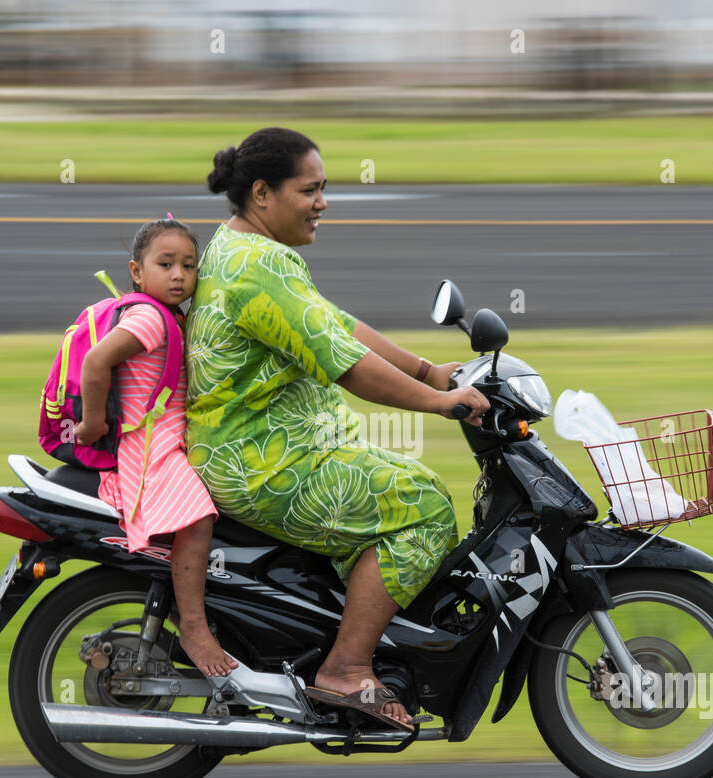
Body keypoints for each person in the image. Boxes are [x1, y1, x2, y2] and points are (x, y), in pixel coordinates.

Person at [186, 127, 490, 730]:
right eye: (311, 189)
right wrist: (439, 403)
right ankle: (346, 669)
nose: (323, 202)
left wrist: (429, 370)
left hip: (263, 448)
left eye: (325, 188)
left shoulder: (239, 245)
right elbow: (346, 366)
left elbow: (334, 325)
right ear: (263, 193)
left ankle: (348, 635)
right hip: (263, 465)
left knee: (394, 483)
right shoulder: (261, 266)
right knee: (422, 504)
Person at [74, 218, 238, 677]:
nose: (179, 275)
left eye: (188, 265)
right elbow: (96, 360)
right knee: (199, 517)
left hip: (165, 439)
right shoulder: (149, 316)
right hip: (150, 448)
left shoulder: (173, 315)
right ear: (137, 271)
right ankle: (193, 626)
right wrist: (92, 423)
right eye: (165, 264)